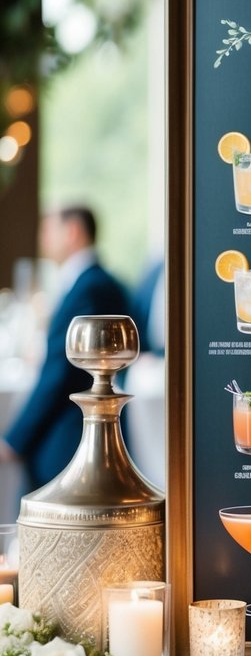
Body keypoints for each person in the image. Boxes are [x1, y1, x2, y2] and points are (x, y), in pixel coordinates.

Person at [0, 206, 130, 490]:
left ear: (72, 232)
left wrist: (15, 439)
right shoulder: (94, 282)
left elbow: (62, 372)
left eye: (48, 229)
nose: (42, 238)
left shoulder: (90, 287)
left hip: (71, 439)